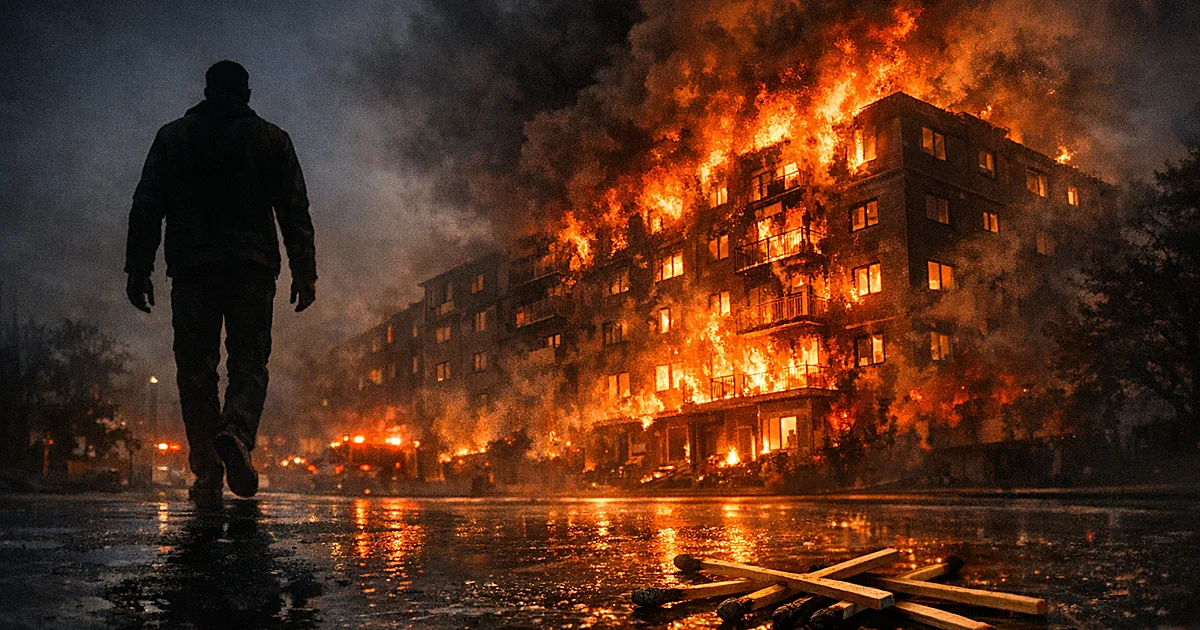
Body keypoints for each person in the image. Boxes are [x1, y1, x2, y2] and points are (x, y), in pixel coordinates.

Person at [125, 60, 317, 502]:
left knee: (196, 370)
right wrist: (304, 272)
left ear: (208, 90)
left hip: (193, 269)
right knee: (249, 360)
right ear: (246, 93)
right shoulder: (272, 139)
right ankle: (235, 433)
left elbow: (147, 204)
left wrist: (138, 267)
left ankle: (208, 469)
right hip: (251, 267)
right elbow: (294, 211)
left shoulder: (173, 137)